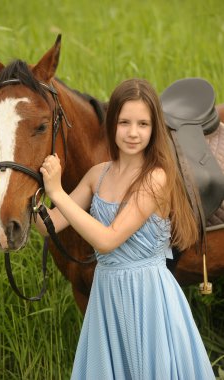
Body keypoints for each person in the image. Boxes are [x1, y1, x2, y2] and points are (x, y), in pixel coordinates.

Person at [37, 78, 215, 379]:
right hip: (108, 296)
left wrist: (58, 193)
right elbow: (50, 226)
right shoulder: (98, 175)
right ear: (112, 124)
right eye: (124, 122)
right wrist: (26, 194)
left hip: (148, 297)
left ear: (154, 128)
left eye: (143, 124)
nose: (133, 132)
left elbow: (107, 240)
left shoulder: (155, 179)